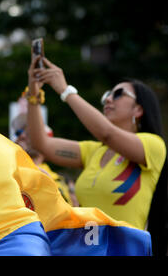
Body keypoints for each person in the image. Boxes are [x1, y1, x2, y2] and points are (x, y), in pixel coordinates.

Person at [25, 54, 167, 254]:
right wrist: (33, 92)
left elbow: (107, 133)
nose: (108, 98)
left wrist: (66, 91)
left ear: (138, 110)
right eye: (107, 94)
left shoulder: (153, 145)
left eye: (118, 94)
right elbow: (42, 143)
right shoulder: (94, 152)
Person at [13, 97, 78, 206]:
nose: (21, 136)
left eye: (28, 133)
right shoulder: (8, 170)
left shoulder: (58, 181)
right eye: (19, 132)